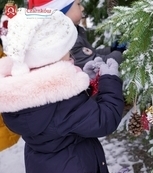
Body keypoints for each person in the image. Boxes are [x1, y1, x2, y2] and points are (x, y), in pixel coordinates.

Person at [0, 7, 124, 173]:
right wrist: (110, 80)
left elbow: (72, 117)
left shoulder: (32, 94)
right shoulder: (62, 103)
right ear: (51, 58)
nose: (72, 57)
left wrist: (85, 82)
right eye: (67, 52)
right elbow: (104, 120)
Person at [28, 0, 127, 69]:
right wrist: (122, 53)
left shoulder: (71, 32)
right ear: (61, 12)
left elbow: (90, 54)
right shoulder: (65, 41)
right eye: (78, 4)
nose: (83, 8)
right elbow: (97, 65)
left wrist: (111, 50)